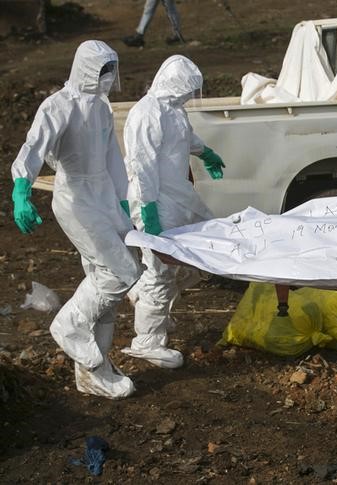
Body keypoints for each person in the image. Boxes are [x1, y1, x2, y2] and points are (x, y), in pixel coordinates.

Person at [10, 40, 141, 399]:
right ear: (84, 68)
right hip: (76, 199)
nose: (108, 77)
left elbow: (112, 158)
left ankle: (92, 369)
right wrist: (21, 190)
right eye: (102, 70)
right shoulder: (58, 105)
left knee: (104, 284)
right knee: (123, 272)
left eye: (111, 69)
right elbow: (33, 148)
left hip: (103, 196)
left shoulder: (101, 106)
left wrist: (123, 202)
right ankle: (68, 326)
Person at [122, 55, 226, 369]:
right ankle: (147, 341)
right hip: (155, 201)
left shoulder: (174, 111)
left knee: (198, 258)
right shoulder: (146, 113)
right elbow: (141, 166)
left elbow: (185, 138)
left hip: (179, 196)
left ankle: (146, 299)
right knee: (160, 272)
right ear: (174, 84)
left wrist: (205, 152)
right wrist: (148, 213)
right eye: (187, 89)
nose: (190, 96)